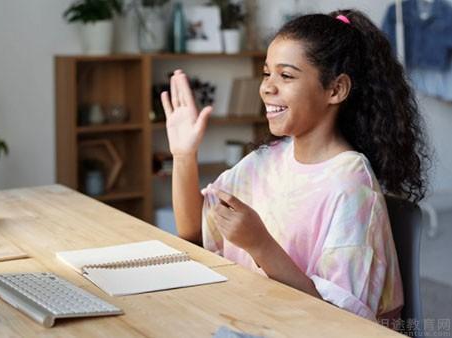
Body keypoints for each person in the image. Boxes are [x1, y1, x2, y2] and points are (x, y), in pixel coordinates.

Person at [160, 9, 430, 324]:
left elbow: (339, 322)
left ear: (335, 90)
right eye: (266, 73)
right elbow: (193, 231)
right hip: (253, 319)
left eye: (286, 75)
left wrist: (260, 245)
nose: (267, 88)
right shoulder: (264, 161)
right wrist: (183, 155)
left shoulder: (351, 188)